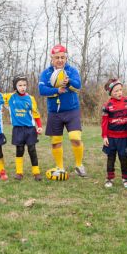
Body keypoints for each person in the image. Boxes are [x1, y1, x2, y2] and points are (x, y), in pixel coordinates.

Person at [38, 44, 85, 177]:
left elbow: (78, 85)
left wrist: (68, 82)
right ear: (52, 58)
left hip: (72, 110)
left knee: (75, 137)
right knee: (56, 142)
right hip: (54, 112)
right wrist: (56, 90)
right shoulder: (46, 73)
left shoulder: (71, 71)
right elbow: (42, 90)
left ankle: (79, 165)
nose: (60, 60)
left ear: (66, 58)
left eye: (62, 57)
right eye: (57, 57)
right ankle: (60, 167)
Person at [6, 76, 43, 181]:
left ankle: (36, 172)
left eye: (24, 85)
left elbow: (36, 114)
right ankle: (19, 172)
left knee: (32, 149)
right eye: (20, 85)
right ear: (15, 86)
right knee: (20, 149)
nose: (23, 87)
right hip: (18, 129)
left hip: (30, 129)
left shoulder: (30, 98)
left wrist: (39, 126)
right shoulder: (10, 97)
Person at [101, 78, 127, 188]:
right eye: (116, 91)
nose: (119, 93)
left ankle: (125, 179)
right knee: (111, 158)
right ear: (110, 93)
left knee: (123, 158)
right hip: (111, 137)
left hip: (123, 137)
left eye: (120, 90)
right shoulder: (107, 106)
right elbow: (104, 122)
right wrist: (104, 136)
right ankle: (110, 178)